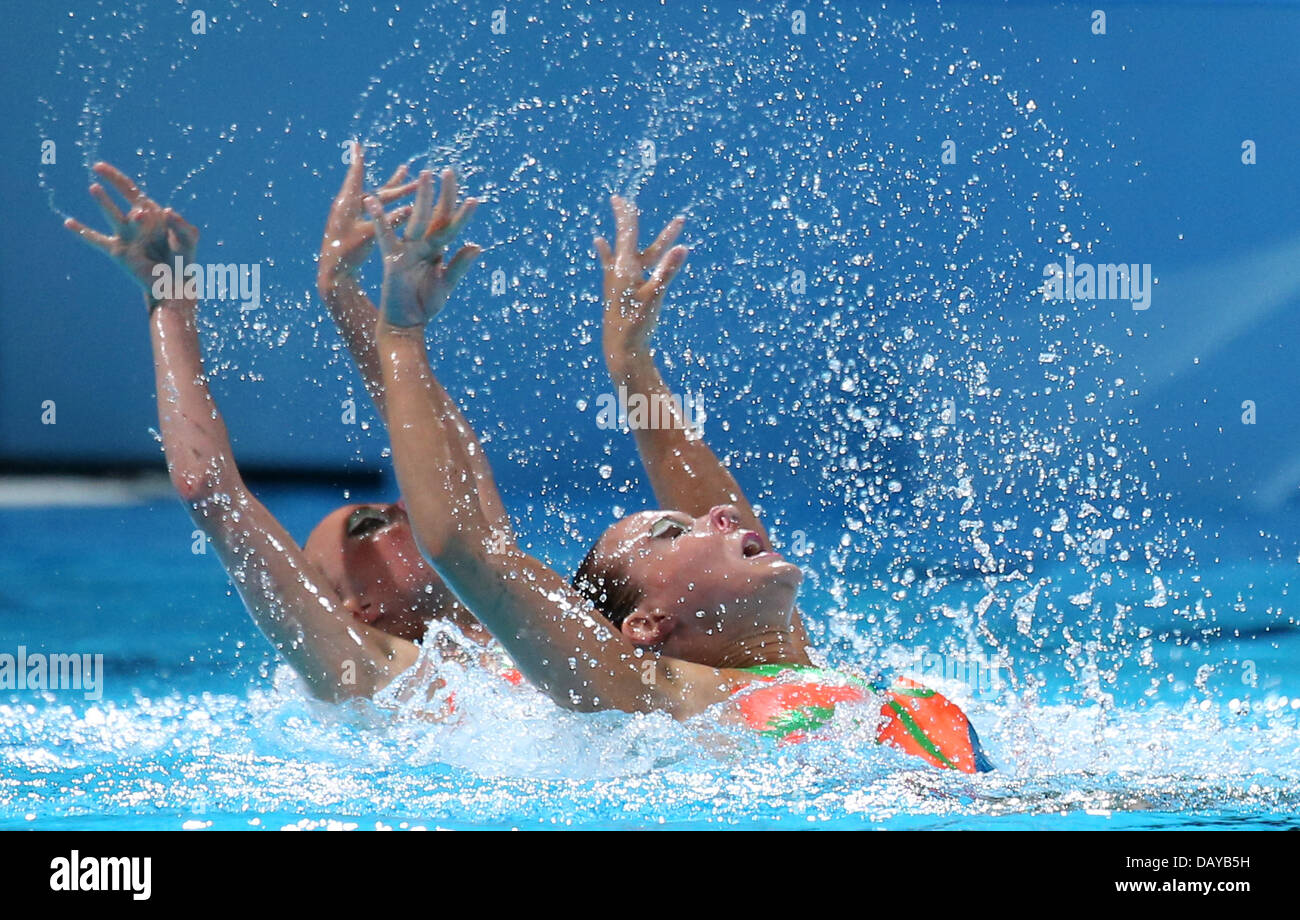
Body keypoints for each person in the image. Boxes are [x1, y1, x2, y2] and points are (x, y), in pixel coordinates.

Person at [366, 187, 993, 772]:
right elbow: (465, 550)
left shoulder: (823, 674)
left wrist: (633, 369)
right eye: (673, 531)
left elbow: (714, 507)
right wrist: (400, 336)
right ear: (647, 623)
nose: (722, 516)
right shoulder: (666, 696)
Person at [61, 159, 494, 700]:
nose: (407, 505)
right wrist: (168, 301)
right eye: (366, 525)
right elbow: (210, 491)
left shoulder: (512, 612)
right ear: (352, 611)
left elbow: (445, 453)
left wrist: (340, 288)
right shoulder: (372, 674)